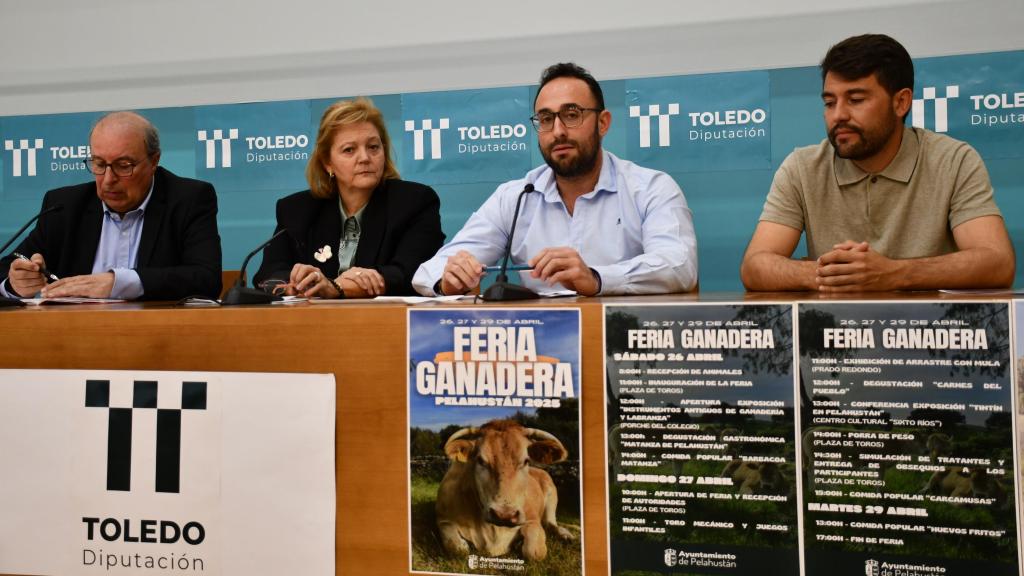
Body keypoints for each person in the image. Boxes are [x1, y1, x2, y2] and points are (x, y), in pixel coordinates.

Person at [740, 34, 1014, 292]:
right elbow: (754, 266)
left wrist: (893, 273)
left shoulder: (954, 160)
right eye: (829, 102)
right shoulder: (801, 167)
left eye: (856, 100)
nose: (839, 115)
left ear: (901, 102)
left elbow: (997, 262)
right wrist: (832, 274)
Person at [412, 63, 697, 297]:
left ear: (603, 123)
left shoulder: (650, 188)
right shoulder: (517, 196)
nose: (558, 131)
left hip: (622, 342)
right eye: (546, 119)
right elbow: (430, 271)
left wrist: (596, 278)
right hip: (538, 347)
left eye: (572, 115)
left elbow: (679, 266)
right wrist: (448, 282)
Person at [0, 111, 222, 300]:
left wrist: (118, 282)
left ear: (154, 161)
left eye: (123, 166)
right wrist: (15, 283)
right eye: (98, 164)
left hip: (159, 337)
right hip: (72, 339)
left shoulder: (188, 199)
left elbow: (206, 279)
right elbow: (12, 264)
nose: (108, 180)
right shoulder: (64, 206)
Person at [253, 98, 444, 297]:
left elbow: (414, 274)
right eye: (349, 150)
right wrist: (299, 283)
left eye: (373, 147)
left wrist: (339, 287)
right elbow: (267, 276)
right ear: (328, 163)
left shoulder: (413, 202)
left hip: (385, 322)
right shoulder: (297, 210)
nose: (364, 158)